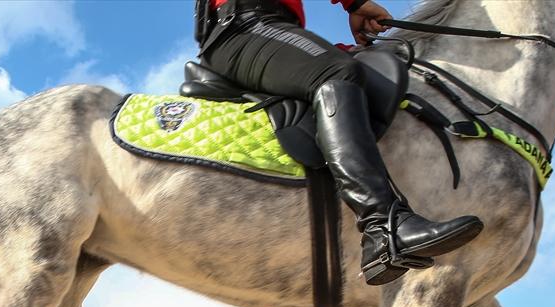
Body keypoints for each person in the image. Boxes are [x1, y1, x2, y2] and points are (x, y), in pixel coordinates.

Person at [196, 0, 483, 285]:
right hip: (247, 25)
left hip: (262, 27)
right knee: (337, 73)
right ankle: (383, 225)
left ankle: (338, 269)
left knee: (353, 75)